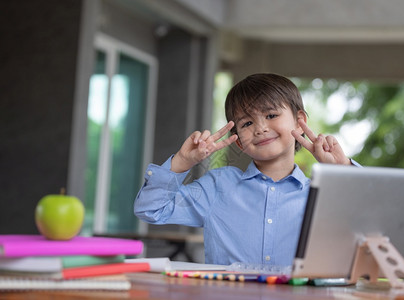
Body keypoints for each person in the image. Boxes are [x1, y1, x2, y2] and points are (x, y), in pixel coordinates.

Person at [134, 73, 359, 266]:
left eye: (271, 115)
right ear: (239, 141)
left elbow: (378, 230)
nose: (260, 128)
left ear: (300, 121)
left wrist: (344, 172)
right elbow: (151, 209)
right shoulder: (217, 187)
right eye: (247, 124)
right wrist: (182, 161)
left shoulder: (324, 196)